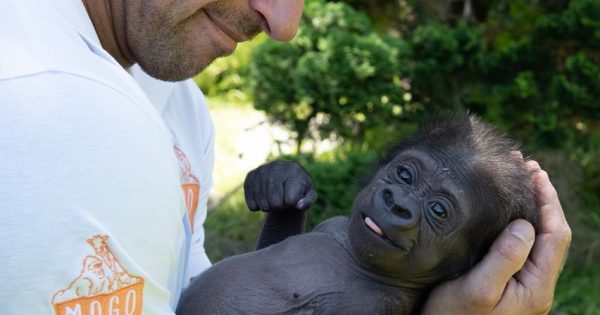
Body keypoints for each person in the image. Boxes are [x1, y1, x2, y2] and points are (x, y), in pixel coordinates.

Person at [0, 0, 570, 314]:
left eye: (440, 213)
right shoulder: (53, 104)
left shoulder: (179, 106)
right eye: (404, 175)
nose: (286, 23)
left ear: (463, 265)